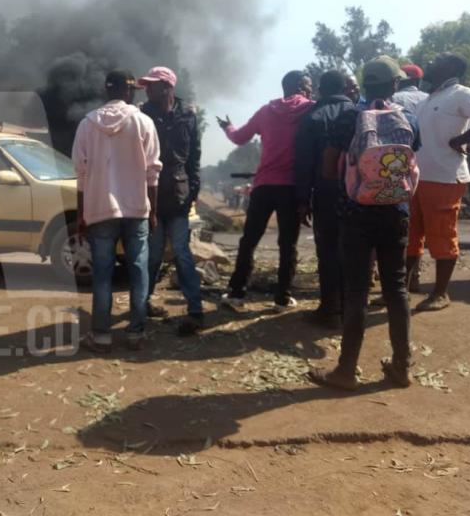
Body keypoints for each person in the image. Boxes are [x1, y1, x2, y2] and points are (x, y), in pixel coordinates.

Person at [310, 56, 419, 390]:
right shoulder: (409, 119)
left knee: (356, 290)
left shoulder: (348, 117)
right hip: (396, 210)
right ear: (395, 86)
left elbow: (329, 169)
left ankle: (346, 370)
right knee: (396, 288)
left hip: (356, 213)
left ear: (361, 84)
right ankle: (401, 367)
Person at [72, 70, 161, 352]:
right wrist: (153, 211)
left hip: (100, 209)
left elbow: (81, 174)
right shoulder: (143, 122)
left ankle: (100, 336)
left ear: (106, 90)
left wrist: (81, 213)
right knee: (138, 270)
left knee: (102, 274)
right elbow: (153, 173)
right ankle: (136, 333)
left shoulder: (87, 125)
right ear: (129, 91)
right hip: (136, 209)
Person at [216, 71, 314, 311]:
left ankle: (237, 293)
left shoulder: (265, 111)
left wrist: (227, 127)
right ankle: (282, 298)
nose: (311, 91)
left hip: (263, 186)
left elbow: (239, 137)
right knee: (287, 244)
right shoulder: (311, 110)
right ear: (301, 86)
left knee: (249, 241)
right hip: (292, 188)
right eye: (309, 86)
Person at [138, 66, 204, 335]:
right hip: (149, 196)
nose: (147, 89)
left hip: (178, 196)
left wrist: (193, 191)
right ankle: (143, 305)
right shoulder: (142, 115)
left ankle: (195, 309)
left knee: (182, 254)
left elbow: (194, 159)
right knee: (152, 256)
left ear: (168, 87)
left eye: (152, 85)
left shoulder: (188, 116)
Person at [406, 54, 470, 311]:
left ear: (453, 68)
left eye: (436, 62)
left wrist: (461, 140)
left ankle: (440, 293)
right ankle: (404, 287)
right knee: (411, 236)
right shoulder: (428, 99)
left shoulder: (461, 94)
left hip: (445, 177)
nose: (429, 65)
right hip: (417, 179)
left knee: (442, 236)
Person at [294, 70, 357, 329]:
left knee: (328, 250)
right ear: (346, 89)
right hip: (358, 193)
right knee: (353, 250)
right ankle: (351, 309)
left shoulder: (310, 117)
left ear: (321, 89)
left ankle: (330, 309)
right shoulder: (359, 114)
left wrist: (302, 200)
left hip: (326, 191)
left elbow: (304, 163)